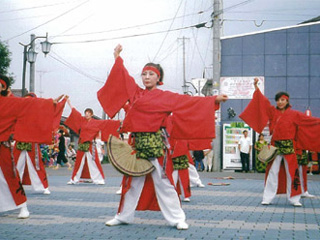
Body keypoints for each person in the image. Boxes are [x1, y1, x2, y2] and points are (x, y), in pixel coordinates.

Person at [98, 44, 228, 230]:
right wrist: (117, 57)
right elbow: (123, 76)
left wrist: (213, 100)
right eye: (144, 74)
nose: (147, 77)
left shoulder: (165, 96)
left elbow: (188, 101)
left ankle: (177, 218)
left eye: (151, 74)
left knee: (164, 182)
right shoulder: (135, 93)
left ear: (158, 78)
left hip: (156, 145)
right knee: (131, 182)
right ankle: (123, 216)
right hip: (136, 145)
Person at [239, 78, 320, 207]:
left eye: (282, 100)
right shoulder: (272, 111)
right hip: (275, 146)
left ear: (287, 101)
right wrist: (256, 87)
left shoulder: (295, 114)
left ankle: (294, 199)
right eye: (278, 100)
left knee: (292, 173)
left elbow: (310, 121)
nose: (280, 102)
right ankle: (267, 198)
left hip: (289, 147)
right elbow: (263, 102)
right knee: (272, 172)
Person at [0, 74, 66, 219]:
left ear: (3, 88)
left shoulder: (11, 103)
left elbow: (32, 105)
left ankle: (23, 206)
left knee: (11, 176)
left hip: (2, 147)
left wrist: (50, 103)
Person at [65, 99, 120, 185]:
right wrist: (69, 103)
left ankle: (99, 179)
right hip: (82, 144)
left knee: (94, 162)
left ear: (92, 115)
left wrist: (118, 122)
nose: (86, 115)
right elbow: (75, 113)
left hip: (91, 145)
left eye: (88, 114)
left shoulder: (96, 123)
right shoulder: (82, 120)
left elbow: (106, 123)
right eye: (86, 114)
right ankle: (74, 179)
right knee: (78, 162)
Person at [13, 93, 51, 195]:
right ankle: (12, 185)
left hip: (31, 141)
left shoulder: (37, 114)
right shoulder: (18, 112)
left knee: (36, 164)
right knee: (15, 163)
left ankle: (43, 186)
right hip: (20, 140)